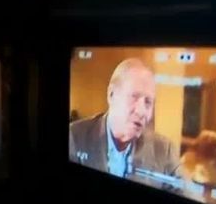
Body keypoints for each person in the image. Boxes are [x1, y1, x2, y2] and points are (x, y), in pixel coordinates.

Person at [68, 58, 182, 186]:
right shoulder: (73, 138)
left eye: (148, 102)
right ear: (111, 94)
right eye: (134, 96)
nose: (141, 111)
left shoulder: (164, 151)